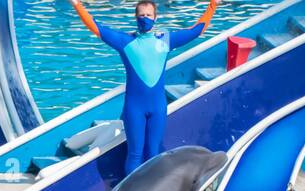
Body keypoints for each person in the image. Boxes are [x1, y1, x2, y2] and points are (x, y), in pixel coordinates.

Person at [69, 0, 219, 175]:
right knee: (134, 154)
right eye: (141, 15)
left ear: (155, 17)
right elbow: (96, 27)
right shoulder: (125, 41)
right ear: (136, 17)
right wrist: (77, 4)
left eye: (149, 15)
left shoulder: (165, 40)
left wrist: (213, 4)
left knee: (153, 154)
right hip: (134, 108)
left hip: (157, 108)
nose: (145, 18)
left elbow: (197, 30)